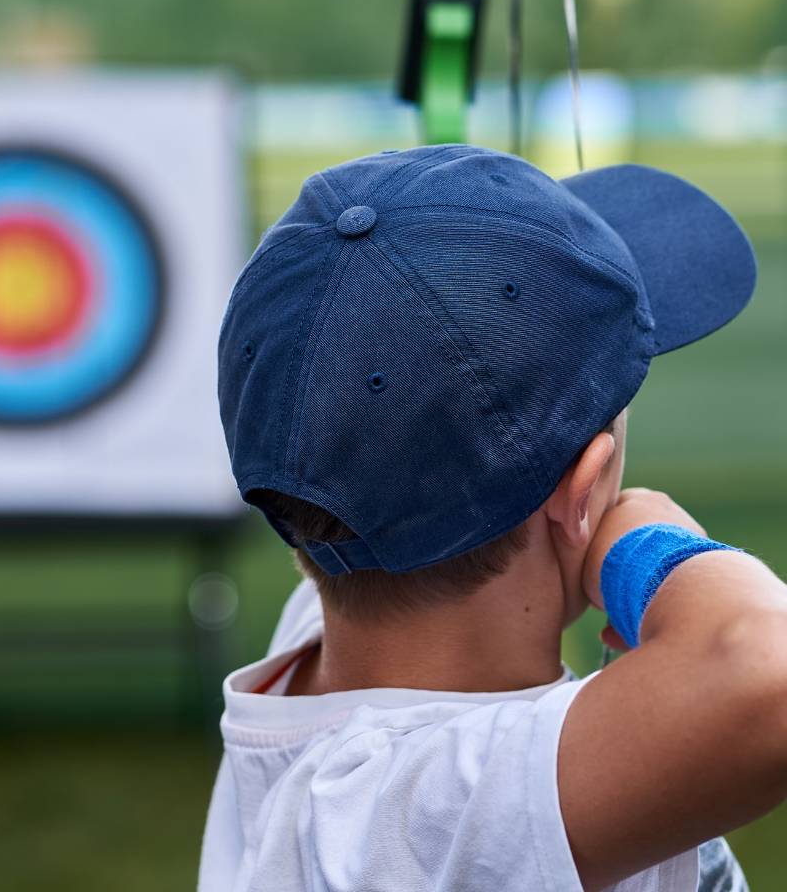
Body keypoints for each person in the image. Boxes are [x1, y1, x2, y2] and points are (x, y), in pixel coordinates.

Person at [199, 145, 778, 891]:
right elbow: (767, 672)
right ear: (586, 488)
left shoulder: (325, 628)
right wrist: (643, 550)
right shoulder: (402, 815)